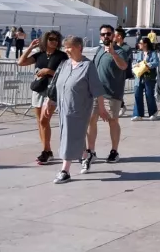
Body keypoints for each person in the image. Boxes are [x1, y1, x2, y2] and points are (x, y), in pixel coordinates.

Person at [44, 36, 108, 184]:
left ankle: (65, 170)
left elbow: (97, 89)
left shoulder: (88, 66)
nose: (66, 50)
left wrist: (102, 108)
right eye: (65, 47)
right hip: (63, 108)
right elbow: (57, 85)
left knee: (69, 137)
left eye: (70, 47)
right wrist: (50, 100)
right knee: (70, 136)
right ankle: (86, 155)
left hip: (79, 109)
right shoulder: (65, 64)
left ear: (79, 47)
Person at [84, 25, 131, 170]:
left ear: (113, 35)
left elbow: (123, 66)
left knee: (112, 121)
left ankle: (114, 150)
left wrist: (113, 54)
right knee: (91, 120)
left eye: (108, 34)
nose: (106, 36)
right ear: (100, 36)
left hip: (112, 93)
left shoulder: (121, 51)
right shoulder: (98, 50)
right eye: (103, 34)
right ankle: (91, 150)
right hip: (95, 93)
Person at [17, 30, 66, 165]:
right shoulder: (40, 55)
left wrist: (48, 71)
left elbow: (66, 74)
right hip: (38, 90)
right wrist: (30, 48)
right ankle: (47, 150)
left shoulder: (62, 56)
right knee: (40, 121)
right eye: (51, 39)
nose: (54, 42)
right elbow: (20, 62)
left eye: (56, 39)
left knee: (45, 120)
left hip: (51, 91)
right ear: (45, 40)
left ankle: (46, 150)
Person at [132, 37, 159, 120]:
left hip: (149, 77)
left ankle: (153, 112)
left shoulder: (153, 53)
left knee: (149, 94)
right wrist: (135, 65)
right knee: (137, 94)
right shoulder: (139, 53)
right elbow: (135, 62)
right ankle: (138, 114)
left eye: (140, 43)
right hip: (139, 77)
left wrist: (148, 65)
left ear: (145, 44)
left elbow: (156, 62)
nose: (139, 45)